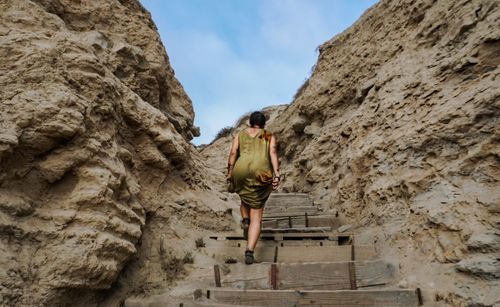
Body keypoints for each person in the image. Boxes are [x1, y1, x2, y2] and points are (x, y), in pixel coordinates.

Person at [226, 111, 280, 265]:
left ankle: (245, 220)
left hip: (240, 169)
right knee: (257, 214)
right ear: (264, 124)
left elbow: (233, 152)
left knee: (244, 195)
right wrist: (277, 174)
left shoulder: (240, 134)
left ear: (250, 122)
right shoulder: (268, 135)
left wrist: (230, 172)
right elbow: (273, 152)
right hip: (261, 172)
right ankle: (249, 250)